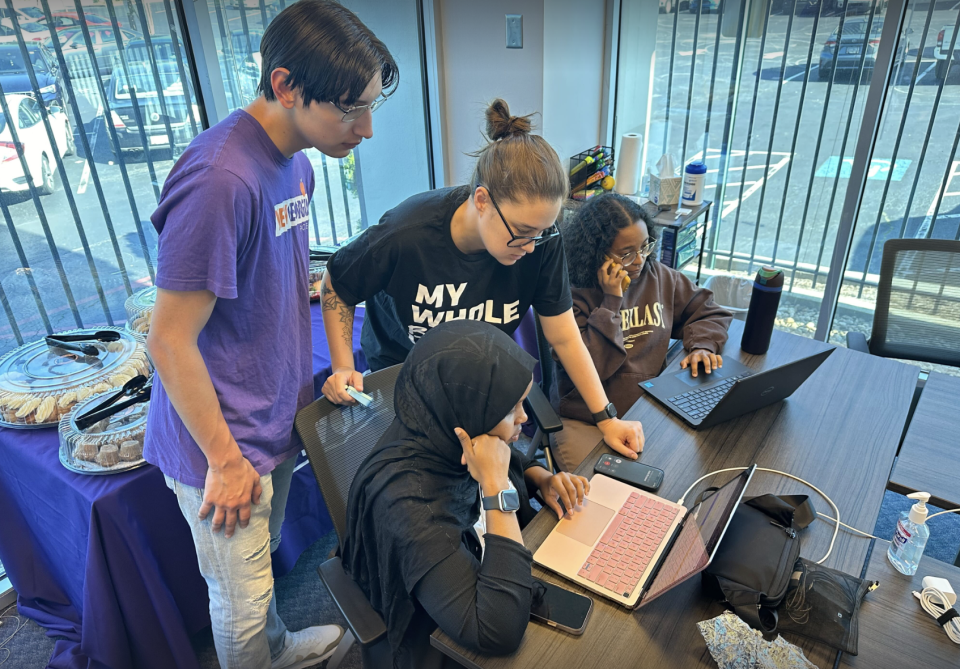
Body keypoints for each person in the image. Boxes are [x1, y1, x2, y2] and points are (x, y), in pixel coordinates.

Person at [142, 2, 397, 667]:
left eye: (370, 107)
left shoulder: (299, 164)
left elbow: (270, 274)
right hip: (221, 444)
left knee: (265, 566)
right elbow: (168, 339)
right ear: (286, 86)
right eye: (350, 110)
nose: (365, 129)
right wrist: (226, 460)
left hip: (272, 417)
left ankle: (278, 648)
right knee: (241, 598)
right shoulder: (219, 180)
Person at [320, 99, 645, 460]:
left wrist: (606, 419)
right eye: (522, 232)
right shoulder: (407, 234)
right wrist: (343, 365)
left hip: (474, 384)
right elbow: (336, 282)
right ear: (482, 200)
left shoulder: (540, 241)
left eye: (542, 231)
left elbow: (565, 337)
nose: (531, 247)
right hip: (403, 381)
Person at [342, 320, 591, 667]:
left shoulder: (441, 432)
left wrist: (541, 478)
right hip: (442, 636)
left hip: (488, 569)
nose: (524, 418)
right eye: (509, 409)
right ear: (463, 417)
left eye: (522, 403)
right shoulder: (410, 505)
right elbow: (497, 630)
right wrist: (496, 489)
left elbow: (505, 451)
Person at [551, 193, 733, 471]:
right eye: (626, 253)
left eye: (645, 246)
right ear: (595, 252)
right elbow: (593, 367)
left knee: (701, 465)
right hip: (587, 417)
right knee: (607, 491)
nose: (639, 260)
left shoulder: (657, 276)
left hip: (653, 404)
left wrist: (703, 346)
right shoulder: (570, 296)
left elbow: (708, 310)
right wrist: (612, 300)